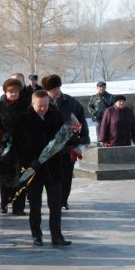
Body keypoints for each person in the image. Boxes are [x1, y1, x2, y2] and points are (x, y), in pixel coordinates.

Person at [12, 90, 73, 246]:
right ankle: (36, 234)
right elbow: (18, 146)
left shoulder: (56, 115)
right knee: (35, 204)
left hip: (53, 168)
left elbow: (62, 139)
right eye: (40, 106)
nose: (43, 109)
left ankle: (56, 235)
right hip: (33, 168)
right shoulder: (22, 119)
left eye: (46, 105)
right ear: (33, 103)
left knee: (55, 204)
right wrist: (30, 162)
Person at [41, 74, 90, 210]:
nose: (55, 91)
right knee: (52, 175)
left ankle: (63, 200)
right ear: (47, 91)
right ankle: (54, 199)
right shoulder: (43, 103)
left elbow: (81, 120)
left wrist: (84, 138)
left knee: (66, 175)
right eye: (52, 89)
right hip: (49, 147)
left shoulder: (71, 102)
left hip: (69, 145)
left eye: (57, 88)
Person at [0, 78, 29, 215]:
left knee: (21, 177)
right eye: (10, 92)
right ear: (6, 92)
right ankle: (4, 203)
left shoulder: (26, 106)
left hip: (21, 148)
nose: (13, 94)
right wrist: (1, 139)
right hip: (4, 147)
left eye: (15, 92)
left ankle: (18, 206)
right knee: (5, 178)